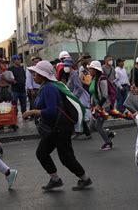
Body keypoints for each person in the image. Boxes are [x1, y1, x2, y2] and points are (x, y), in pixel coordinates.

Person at [22, 61, 92, 191]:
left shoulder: (49, 88)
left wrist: (32, 112)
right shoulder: (46, 86)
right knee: (42, 153)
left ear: (43, 75)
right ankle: (55, 179)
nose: (33, 76)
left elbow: (51, 111)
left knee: (66, 158)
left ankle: (85, 179)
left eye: (35, 74)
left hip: (60, 128)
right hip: (53, 129)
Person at [88, 61, 115, 150]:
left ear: (96, 70)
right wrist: (92, 104)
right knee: (91, 125)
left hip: (103, 106)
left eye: (91, 68)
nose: (89, 70)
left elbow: (105, 95)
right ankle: (107, 134)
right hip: (96, 106)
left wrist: (99, 106)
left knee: (98, 125)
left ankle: (108, 143)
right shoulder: (94, 78)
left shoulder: (102, 79)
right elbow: (93, 93)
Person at [67, 59, 92, 140]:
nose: (64, 67)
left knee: (77, 115)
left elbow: (79, 88)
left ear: (70, 66)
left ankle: (81, 132)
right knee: (78, 115)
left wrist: (75, 97)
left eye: (66, 66)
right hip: (73, 97)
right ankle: (84, 132)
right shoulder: (71, 74)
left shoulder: (74, 75)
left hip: (76, 98)